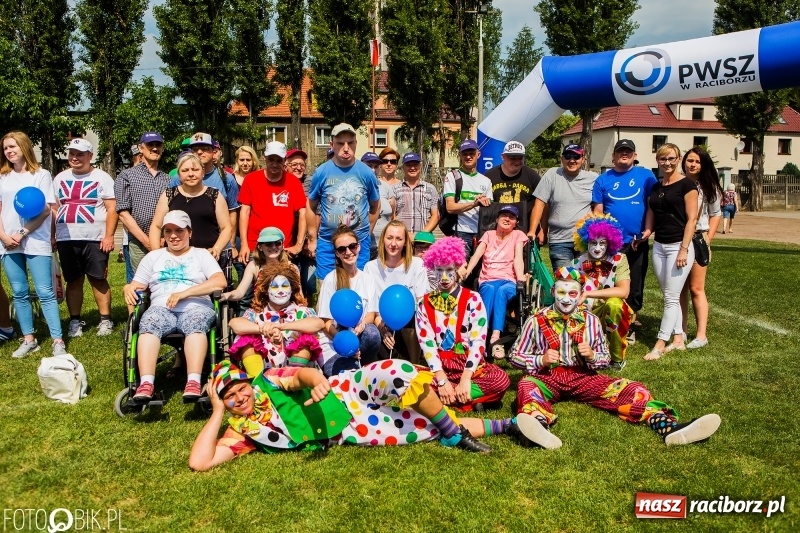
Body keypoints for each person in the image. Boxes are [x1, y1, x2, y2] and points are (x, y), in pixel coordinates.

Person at [188, 354, 565, 469]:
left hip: (347, 390)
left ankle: (455, 434)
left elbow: (299, 373)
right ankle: (511, 425)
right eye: (230, 397)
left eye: (240, 390)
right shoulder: (240, 432)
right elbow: (200, 463)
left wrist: (316, 378)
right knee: (424, 424)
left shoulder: (267, 381)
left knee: (398, 373)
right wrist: (218, 412)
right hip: (350, 428)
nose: (240, 399)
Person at [508, 266, 721, 449]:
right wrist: (540, 360)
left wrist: (592, 356)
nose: (566, 299)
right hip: (547, 378)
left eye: (572, 293)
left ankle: (669, 427)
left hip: (584, 378)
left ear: (581, 294)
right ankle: (537, 427)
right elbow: (513, 356)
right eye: (561, 292)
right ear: (553, 291)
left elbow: (605, 358)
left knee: (633, 389)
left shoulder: (591, 321)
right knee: (526, 385)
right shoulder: (536, 320)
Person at [124, 210, 227, 401]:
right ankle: (146, 383)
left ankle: (194, 381)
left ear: (189, 232)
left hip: (196, 306)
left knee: (195, 324)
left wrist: (185, 293)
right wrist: (128, 289)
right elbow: (136, 284)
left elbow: (219, 281)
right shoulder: (153, 257)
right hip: (161, 307)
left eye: (179, 230)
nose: (173, 235)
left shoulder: (201, 255)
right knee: (149, 324)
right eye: (168, 231)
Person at [415, 237, 510, 411]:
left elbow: (478, 341)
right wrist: (442, 380)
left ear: (458, 268)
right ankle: (467, 398)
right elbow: (427, 345)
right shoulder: (424, 304)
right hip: (440, 369)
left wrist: (466, 378)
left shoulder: (473, 299)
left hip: (470, 368)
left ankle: (448, 398)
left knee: (501, 379)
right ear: (432, 270)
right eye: (439, 270)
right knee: (408, 380)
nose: (444, 277)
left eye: (449, 270)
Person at [0, 131, 65, 357]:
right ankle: (29, 338)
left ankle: (57, 340)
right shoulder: (3, 177)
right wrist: (3, 235)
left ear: (24, 147)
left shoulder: (41, 174)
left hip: (35, 240)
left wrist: (22, 232)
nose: (9, 151)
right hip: (8, 243)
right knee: (19, 292)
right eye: (6, 148)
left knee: (45, 292)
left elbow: (47, 209)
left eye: (13, 146)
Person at [637, 144, 698, 361]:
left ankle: (660, 343)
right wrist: (647, 231)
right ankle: (679, 339)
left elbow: (692, 219)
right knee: (668, 296)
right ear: (658, 161)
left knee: (671, 298)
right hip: (660, 246)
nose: (668, 163)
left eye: (672, 158)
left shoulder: (687, 185)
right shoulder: (656, 186)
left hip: (678, 246)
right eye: (663, 159)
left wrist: (683, 249)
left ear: (679, 158)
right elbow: (653, 211)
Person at [592, 139, 659, 339]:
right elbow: (598, 211)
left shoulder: (646, 176)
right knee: (608, 280)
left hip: (637, 240)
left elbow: (651, 205)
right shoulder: (602, 180)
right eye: (620, 151)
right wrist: (602, 237)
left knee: (636, 281)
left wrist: (648, 229)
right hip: (612, 243)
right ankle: (607, 318)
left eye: (628, 151)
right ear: (613, 156)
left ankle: (629, 322)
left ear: (635, 155)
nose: (624, 154)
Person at [53, 138, 118, 338]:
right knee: (73, 280)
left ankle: (105, 320)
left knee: (98, 279)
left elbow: (112, 208)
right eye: (72, 153)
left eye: (80, 154)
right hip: (66, 237)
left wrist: (108, 236)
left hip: (94, 238)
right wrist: (53, 235)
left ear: (90, 156)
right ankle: (75, 321)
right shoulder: (60, 178)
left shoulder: (102, 177)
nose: (75, 158)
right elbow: (54, 208)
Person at [307, 123, 380, 281]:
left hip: (358, 244)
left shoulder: (367, 173)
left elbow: (375, 206)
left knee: (357, 287)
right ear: (331, 144)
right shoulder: (321, 172)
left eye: (350, 143)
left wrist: (367, 231)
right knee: (327, 287)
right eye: (340, 143)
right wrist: (312, 239)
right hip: (328, 244)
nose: (346, 148)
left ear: (355, 143)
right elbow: (310, 206)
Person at [227, 262, 324, 377]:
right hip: (266, 371)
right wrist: (264, 329)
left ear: (292, 289)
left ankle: (292, 380)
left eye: (284, 286)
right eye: (274, 286)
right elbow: (234, 324)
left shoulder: (303, 311)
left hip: (300, 377)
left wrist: (281, 327)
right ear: (266, 290)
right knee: (246, 337)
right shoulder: (257, 313)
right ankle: (259, 383)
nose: (280, 290)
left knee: (306, 339)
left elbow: (319, 324)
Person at [458, 205, 528, 360]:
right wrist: (467, 271)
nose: (507, 219)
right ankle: (481, 336)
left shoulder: (518, 235)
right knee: (489, 289)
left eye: (512, 217)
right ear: (497, 219)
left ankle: (495, 338)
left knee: (502, 291)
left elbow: (518, 258)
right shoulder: (488, 234)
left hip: (509, 280)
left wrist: (521, 276)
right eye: (504, 215)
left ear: (515, 222)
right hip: (488, 279)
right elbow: (477, 255)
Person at [316, 225, 382, 376]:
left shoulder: (367, 279)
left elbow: (371, 314)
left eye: (352, 246)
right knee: (346, 378)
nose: (348, 252)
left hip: (358, 338)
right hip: (335, 343)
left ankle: (362, 365)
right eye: (342, 249)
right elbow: (326, 323)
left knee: (372, 333)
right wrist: (345, 344)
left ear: (358, 247)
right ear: (337, 254)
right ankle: (352, 367)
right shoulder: (330, 279)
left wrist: (363, 324)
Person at [570, 213, 632, 370]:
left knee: (615, 304)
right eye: (593, 242)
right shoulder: (577, 263)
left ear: (610, 242)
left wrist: (589, 293)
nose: (597, 248)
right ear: (585, 242)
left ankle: (617, 358)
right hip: (584, 312)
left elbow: (623, 291)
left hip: (608, 312)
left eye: (602, 243)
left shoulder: (619, 259)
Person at [148, 153, 232, 268]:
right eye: (185, 170)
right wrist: (157, 253)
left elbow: (226, 227)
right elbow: (156, 226)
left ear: (202, 172)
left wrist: (217, 248)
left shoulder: (215, 195)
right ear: (179, 174)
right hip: (175, 258)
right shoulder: (169, 195)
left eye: (195, 169)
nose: (190, 174)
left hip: (208, 258)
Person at [180, 133, 240, 289]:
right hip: (186, 246)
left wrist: (231, 244)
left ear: (213, 151)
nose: (200, 153)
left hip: (218, 246)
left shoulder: (226, 178)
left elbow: (233, 212)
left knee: (220, 289)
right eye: (195, 149)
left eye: (204, 148)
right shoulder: (179, 178)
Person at [365, 220, 430, 363]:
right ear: (383, 239)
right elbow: (374, 310)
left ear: (406, 242)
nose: (393, 244)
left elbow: (421, 303)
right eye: (389, 238)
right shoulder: (371, 268)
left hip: (411, 324)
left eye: (399, 239)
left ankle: (415, 364)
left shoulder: (417, 265)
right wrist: (383, 330)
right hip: (382, 322)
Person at [528, 144, 598, 269]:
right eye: (568, 156)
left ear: (583, 159)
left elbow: (600, 205)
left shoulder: (593, 178)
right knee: (564, 283)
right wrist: (534, 231)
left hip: (585, 239)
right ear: (562, 159)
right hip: (559, 240)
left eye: (576, 156)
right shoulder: (552, 174)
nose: (572, 160)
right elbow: (540, 203)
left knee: (588, 281)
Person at [679, 147, 722, 349]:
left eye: (697, 161)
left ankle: (701, 335)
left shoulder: (709, 186)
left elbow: (716, 214)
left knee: (696, 288)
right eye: (689, 160)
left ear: (703, 164)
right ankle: (681, 331)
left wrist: (709, 238)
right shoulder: (677, 182)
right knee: (679, 289)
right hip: (678, 240)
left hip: (698, 238)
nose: (692, 164)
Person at [238, 141, 307, 267]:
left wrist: (299, 245)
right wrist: (244, 244)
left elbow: (303, 213)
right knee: (253, 285)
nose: (274, 164)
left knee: (282, 286)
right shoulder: (251, 180)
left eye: (279, 160)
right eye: (271, 159)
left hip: (283, 249)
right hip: (256, 247)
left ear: (285, 160)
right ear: (264, 158)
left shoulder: (293, 182)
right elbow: (244, 212)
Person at [115, 131, 171, 274]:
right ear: (141, 148)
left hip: (166, 241)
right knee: (142, 286)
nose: (154, 148)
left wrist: (164, 237)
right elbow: (123, 214)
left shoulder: (168, 179)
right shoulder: (127, 176)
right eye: (150, 145)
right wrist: (148, 242)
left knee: (165, 282)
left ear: (162, 148)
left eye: (158, 145)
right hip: (139, 242)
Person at [221, 227, 301, 313]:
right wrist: (227, 295)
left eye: (278, 243)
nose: (274, 247)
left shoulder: (292, 268)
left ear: (282, 246)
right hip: (261, 312)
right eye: (269, 244)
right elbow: (240, 292)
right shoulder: (254, 266)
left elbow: (299, 296)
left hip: (288, 312)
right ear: (260, 247)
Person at [442, 139, 493, 260]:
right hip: (460, 232)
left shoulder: (486, 181)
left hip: (481, 233)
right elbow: (450, 207)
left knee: (479, 273)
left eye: (472, 153)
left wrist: (484, 201)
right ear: (460, 155)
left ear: (478, 154)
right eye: (465, 154)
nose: (468, 157)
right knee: (461, 272)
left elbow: (489, 209)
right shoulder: (453, 176)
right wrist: (474, 203)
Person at [485, 140, 541, 234]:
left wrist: (541, 229)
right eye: (512, 158)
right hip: (498, 232)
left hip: (525, 232)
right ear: (503, 157)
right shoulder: (490, 176)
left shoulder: (532, 176)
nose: (516, 161)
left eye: (520, 158)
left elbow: (542, 203)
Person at [284, 148, 317, 302]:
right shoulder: (282, 181)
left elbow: (317, 210)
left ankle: (307, 310)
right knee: (289, 280)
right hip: (288, 237)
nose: (299, 167)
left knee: (308, 281)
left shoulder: (310, 182)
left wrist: (310, 240)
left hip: (308, 237)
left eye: (302, 164)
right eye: (294, 164)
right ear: (286, 165)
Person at [231, 146, 261, 283]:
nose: (245, 163)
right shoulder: (230, 179)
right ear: (237, 161)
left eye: (248, 160)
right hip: (235, 230)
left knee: (256, 266)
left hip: (254, 229)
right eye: (241, 159)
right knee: (240, 266)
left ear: (253, 161)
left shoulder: (259, 178)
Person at [392, 152, 439, 234]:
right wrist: (405, 234)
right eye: (408, 165)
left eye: (415, 165)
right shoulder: (394, 189)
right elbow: (392, 216)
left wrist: (422, 234)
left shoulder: (431, 188)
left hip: (424, 239)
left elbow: (436, 215)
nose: (412, 168)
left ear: (420, 166)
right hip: (401, 238)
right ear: (403, 167)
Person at [361, 151, 390, 259]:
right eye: (369, 166)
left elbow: (392, 214)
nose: (373, 170)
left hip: (384, 246)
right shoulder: (355, 184)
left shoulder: (385, 187)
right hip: (363, 245)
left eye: (376, 166)